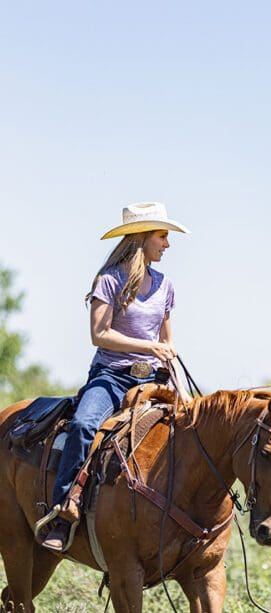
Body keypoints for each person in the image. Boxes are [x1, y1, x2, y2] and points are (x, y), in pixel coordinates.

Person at [42, 201, 189, 551]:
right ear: (142, 237)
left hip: (153, 379)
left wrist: (172, 370)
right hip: (111, 376)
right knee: (83, 426)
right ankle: (63, 511)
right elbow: (99, 334)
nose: (167, 244)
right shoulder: (109, 279)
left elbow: (167, 341)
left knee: (189, 431)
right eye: (162, 236)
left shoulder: (165, 285)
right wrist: (149, 347)